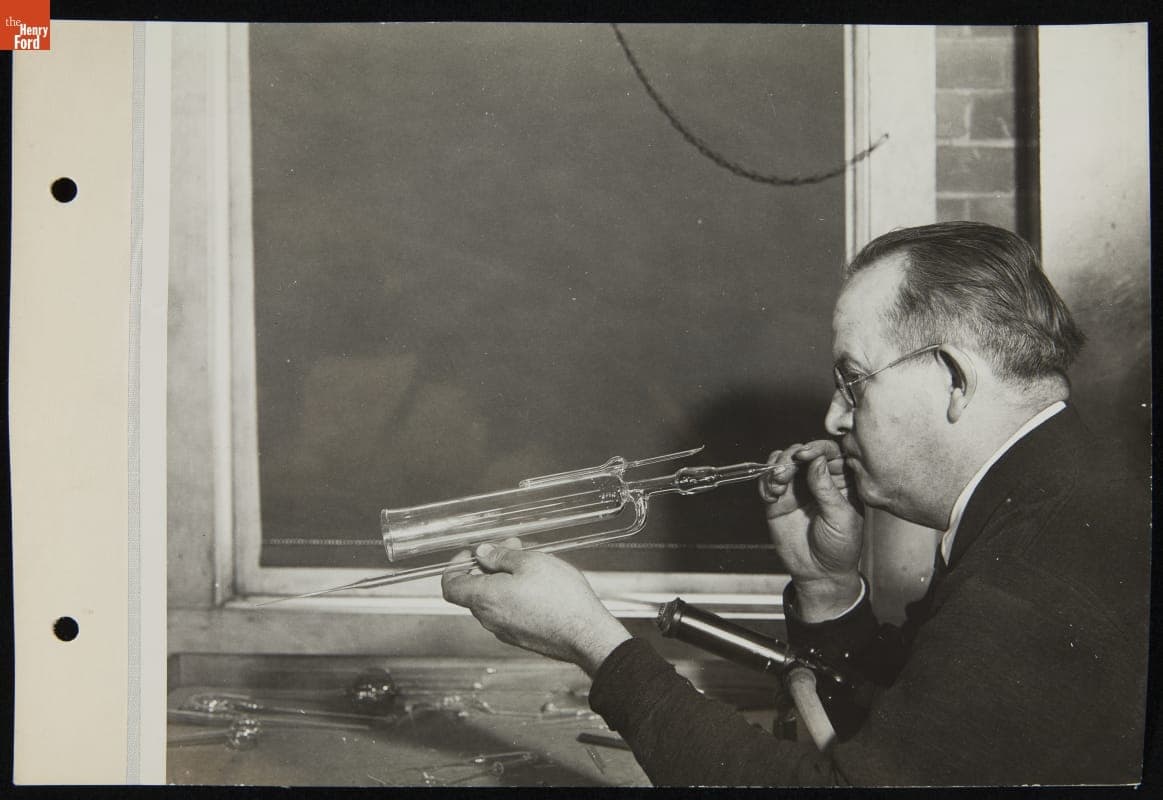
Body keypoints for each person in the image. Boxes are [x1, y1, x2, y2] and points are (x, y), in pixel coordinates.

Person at [442, 222, 1150, 786]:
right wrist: (829, 589)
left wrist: (591, 644)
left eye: (853, 381)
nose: (835, 419)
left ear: (953, 380)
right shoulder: (1054, 499)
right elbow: (913, 750)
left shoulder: (1034, 578)